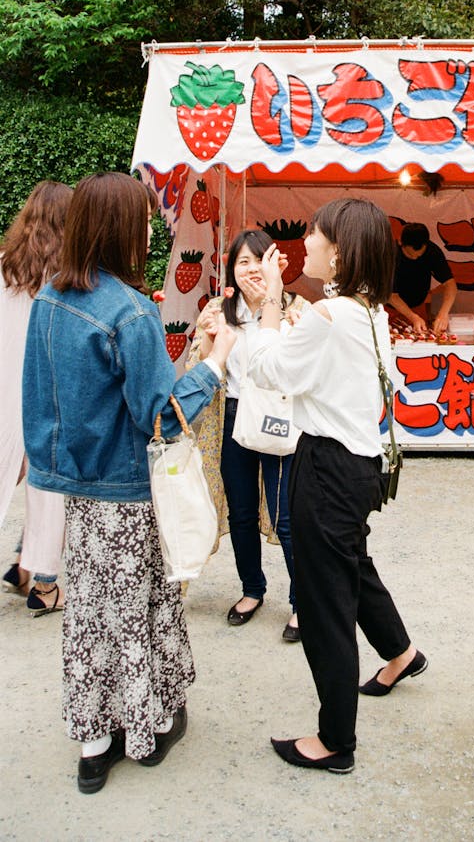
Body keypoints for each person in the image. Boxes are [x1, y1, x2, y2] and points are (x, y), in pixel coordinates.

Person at [21, 172, 236, 795]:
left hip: (80, 497)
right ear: (120, 228)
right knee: (142, 611)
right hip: (132, 492)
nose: (150, 229)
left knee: (89, 614)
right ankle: (149, 729)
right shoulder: (132, 310)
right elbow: (161, 417)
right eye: (144, 219)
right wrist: (213, 365)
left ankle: (94, 745)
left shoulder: (48, 302)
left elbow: (42, 403)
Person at [249, 197, 427, 774]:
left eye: (316, 234)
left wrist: (271, 305)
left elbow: (266, 370)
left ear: (340, 251)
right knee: (351, 564)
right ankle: (400, 653)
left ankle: (335, 740)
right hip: (360, 466)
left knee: (325, 603)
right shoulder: (368, 311)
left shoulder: (330, 316)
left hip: (325, 467)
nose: (307, 242)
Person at [187, 229, 303, 640]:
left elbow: (308, 367)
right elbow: (195, 370)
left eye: (260, 260)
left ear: (274, 264)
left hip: (276, 418)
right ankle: (252, 589)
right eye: (243, 262)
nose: (252, 269)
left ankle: (301, 602)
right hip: (234, 416)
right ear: (231, 269)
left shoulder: (294, 307)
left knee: (286, 515)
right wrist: (204, 336)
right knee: (240, 512)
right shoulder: (220, 310)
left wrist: (297, 326)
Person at [1, 180, 73, 616]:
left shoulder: (4, 268)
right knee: (49, 490)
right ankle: (44, 584)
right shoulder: (68, 281)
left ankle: (21, 563)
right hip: (47, 392)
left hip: (3, 387)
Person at [388, 221, 457, 335]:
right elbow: (391, 296)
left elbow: (451, 284)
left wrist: (443, 313)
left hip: (418, 308)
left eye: (419, 255)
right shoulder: (390, 255)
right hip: (391, 309)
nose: (415, 258)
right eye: (410, 254)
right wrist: (413, 317)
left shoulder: (432, 251)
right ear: (400, 241)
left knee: (419, 344)